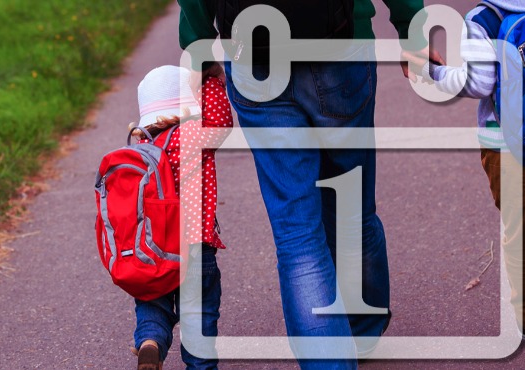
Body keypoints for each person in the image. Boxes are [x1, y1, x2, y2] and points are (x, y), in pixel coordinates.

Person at [177, 1, 441, 369]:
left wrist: (198, 44)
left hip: (254, 60)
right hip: (341, 50)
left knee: (297, 236)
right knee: (353, 204)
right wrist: (411, 26)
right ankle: (361, 332)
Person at [418, 1, 525, 369]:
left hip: (507, 149)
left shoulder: (485, 18)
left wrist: (431, 72)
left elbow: (480, 83)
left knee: (520, 229)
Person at [130, 65, 232, 370]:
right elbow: (222, 120)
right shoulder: (192, 139)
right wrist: (211, 78)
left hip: (152, 249)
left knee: (153, 303)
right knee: (198, 313)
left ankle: (150, 341)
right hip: (195, 246)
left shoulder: (139, 150)